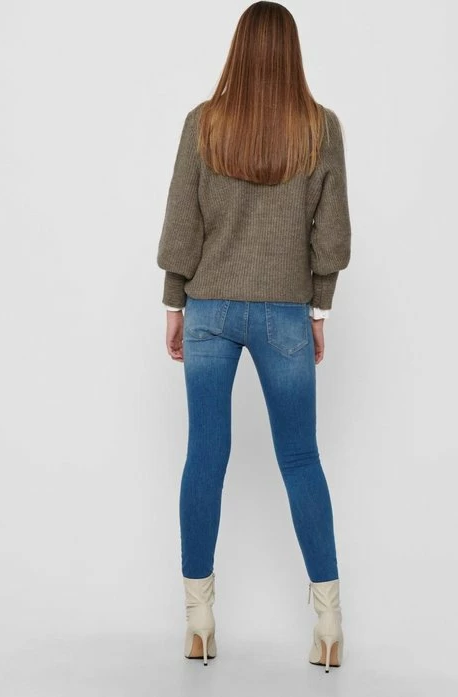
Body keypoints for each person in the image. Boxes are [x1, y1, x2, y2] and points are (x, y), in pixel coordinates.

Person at [156, 1, 351, 672]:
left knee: (204, 457)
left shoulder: (203, 124)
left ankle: (198, 621)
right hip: (284, 313)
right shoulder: (320, 129)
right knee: (300, 459)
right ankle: (329, 624)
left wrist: (174, 302)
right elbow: (331, 235)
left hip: (209, 307)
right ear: (291, 53)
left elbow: (182, 221)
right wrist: (318, 310)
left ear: (238, 50)